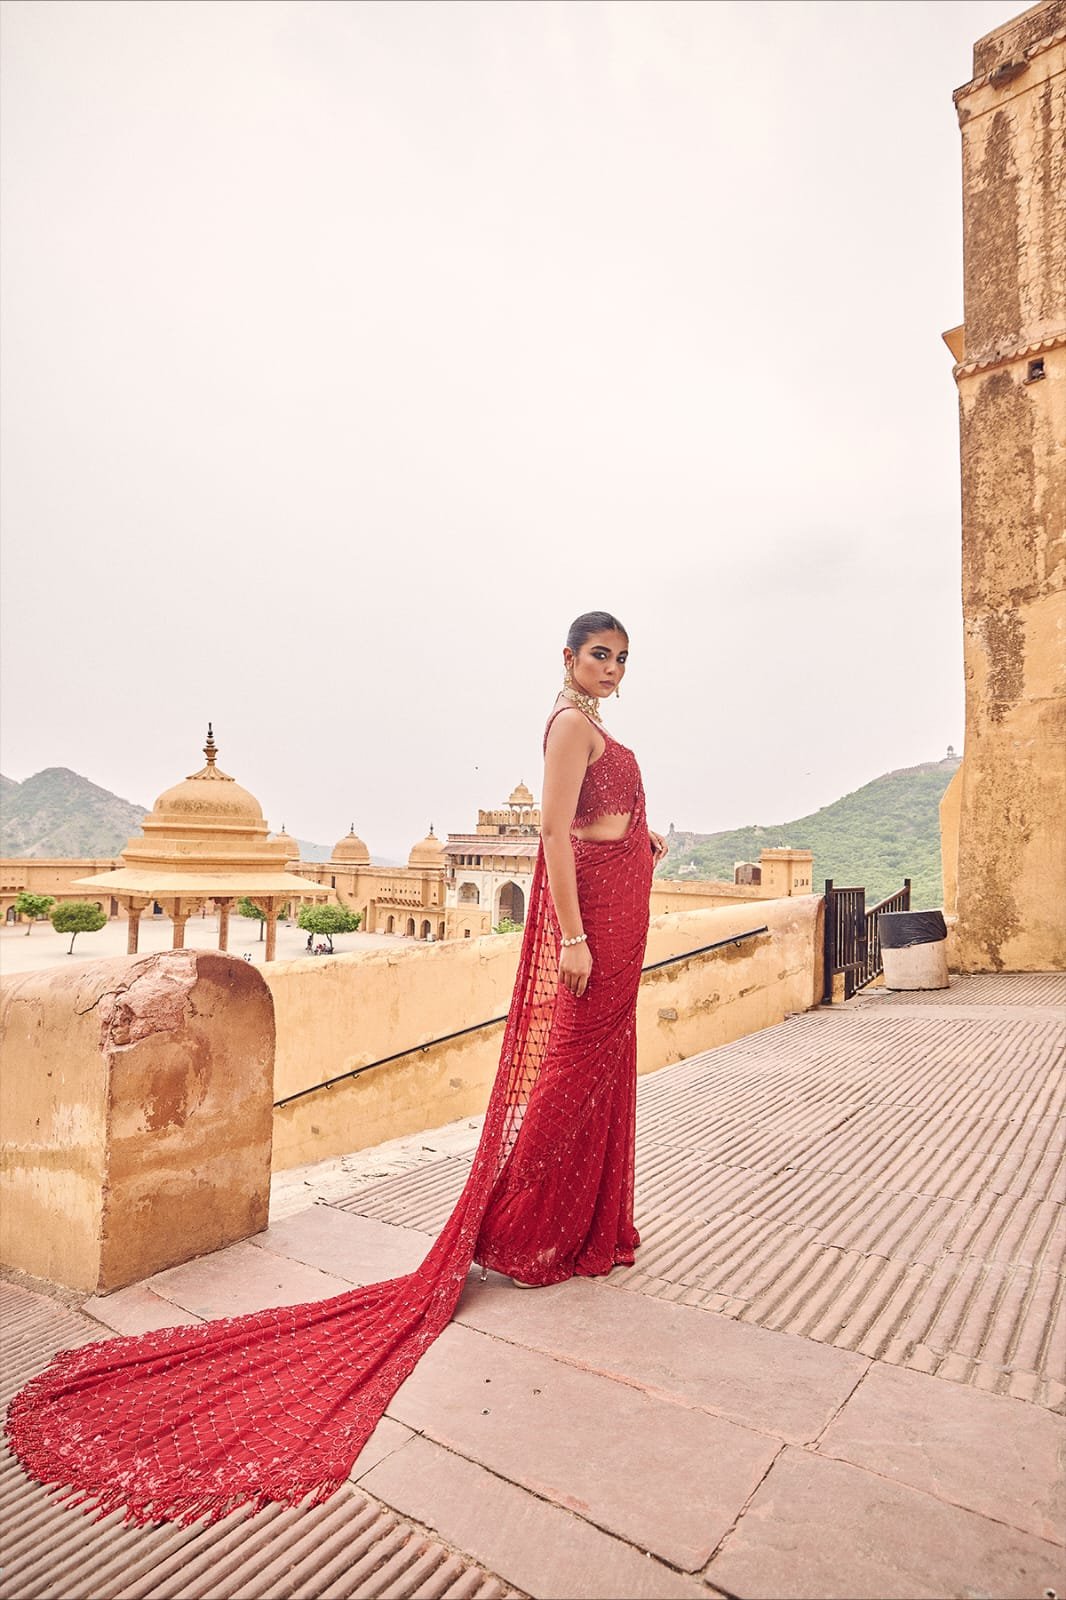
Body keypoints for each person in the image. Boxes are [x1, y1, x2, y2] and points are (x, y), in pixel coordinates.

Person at [7, 611, 667, 1527]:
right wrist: (577, 936)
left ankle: (583, 1222)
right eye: (601, 654)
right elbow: (553, 835)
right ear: (567, 658)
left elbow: (597, 823)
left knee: (603, 1066)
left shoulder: (596, 729)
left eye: (624, 658)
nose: (614, 669)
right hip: (595, 920)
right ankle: (519, 1228)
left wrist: (639, 841)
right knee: (569, 1067)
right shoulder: (565, 726)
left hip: (624, 899)